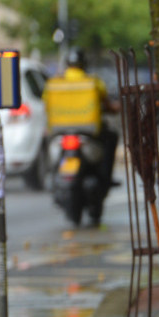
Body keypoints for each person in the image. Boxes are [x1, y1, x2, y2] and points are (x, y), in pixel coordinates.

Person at [43, 48, 119, 225]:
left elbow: (45, 103)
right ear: (84, 65)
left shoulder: (53, 84)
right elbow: (107, 104)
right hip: (89, 135)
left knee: (48, 148)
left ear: (67, 65)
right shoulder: (93, 83)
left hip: (60, 135)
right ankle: (106, 179)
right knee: (112, 137)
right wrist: (113, 108)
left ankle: (52, 174)